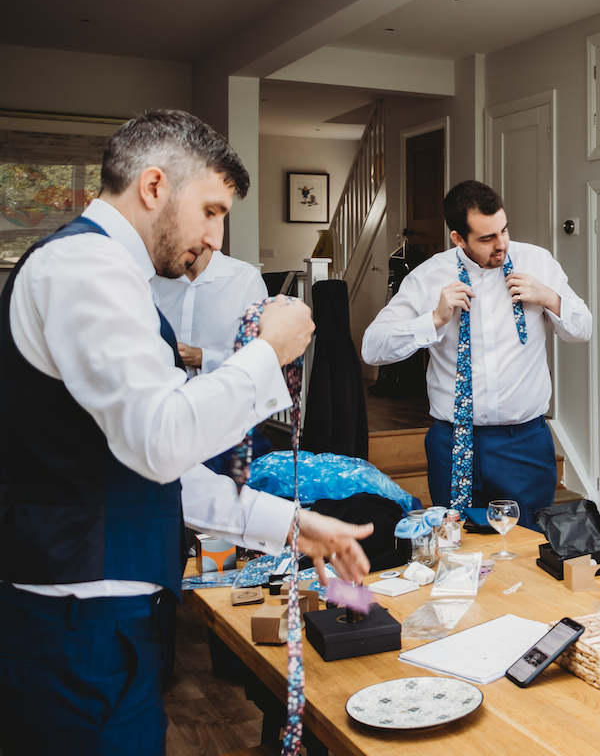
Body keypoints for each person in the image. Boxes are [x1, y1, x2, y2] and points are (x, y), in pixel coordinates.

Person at [0, 109, 373, 756]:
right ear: (152, 187)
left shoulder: (101, 270)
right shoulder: (86, 269)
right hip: (79, 619)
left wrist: (288, 522)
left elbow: (139, 466)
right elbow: (162, 439)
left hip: (99, 611)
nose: (215, 235)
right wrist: (267, 352)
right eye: (210, 209)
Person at [362, 180, 591, 527]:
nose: (501, 245)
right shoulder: (428, 277)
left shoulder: (537, 262)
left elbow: (582, 328)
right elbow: (372, 347)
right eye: (486, 238)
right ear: (458, 238)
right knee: (458, 549)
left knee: (528, 550)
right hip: (453, 443)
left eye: (503, 230)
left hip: (524, 444)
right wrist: (434, 320)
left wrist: (549, 297)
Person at [152, 246, 269, 377]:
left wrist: (201, 357)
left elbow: (260, 356)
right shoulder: (150, 279)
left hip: (227, 391)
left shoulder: (246, 278)